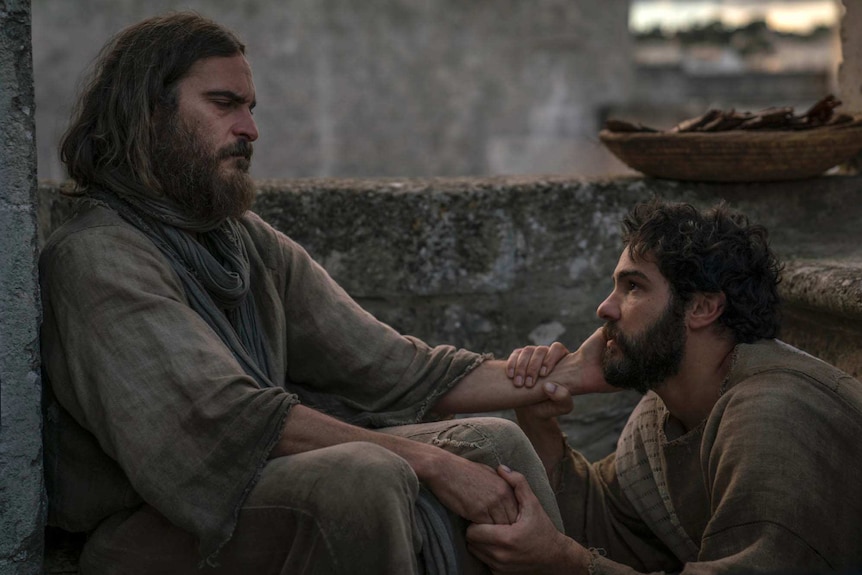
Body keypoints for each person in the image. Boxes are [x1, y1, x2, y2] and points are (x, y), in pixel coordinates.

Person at [39, 12, 607, 575]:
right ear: (148, 114)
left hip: (250, 491)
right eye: (223, 104)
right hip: (149, 532)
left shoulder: (243, 243)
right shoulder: (98, 256)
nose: (249, 130)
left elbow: (392, 368)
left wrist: (567, 374)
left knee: (493, 443)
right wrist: (430, 463)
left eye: (250, 108)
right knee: (365, 476)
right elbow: (225, 420)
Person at [471, 199, 862, 573]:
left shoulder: (773, 416)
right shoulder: (663, 412)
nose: (605, 309)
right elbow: (608, 527)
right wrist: (540, 413)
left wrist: (563, 564)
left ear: (703, 308)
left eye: (633, 287)